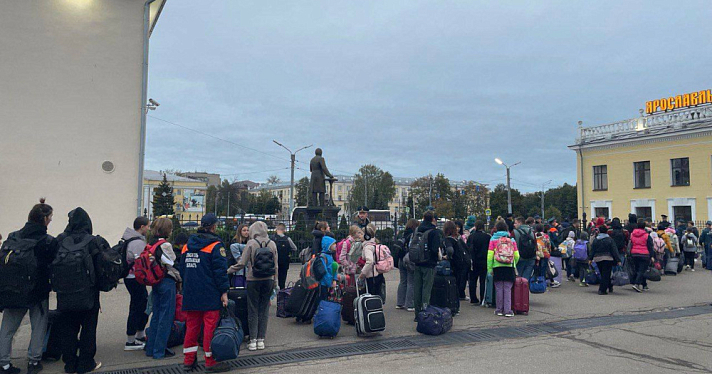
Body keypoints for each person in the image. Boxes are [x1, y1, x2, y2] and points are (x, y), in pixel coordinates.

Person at [0, 199, 57, 374]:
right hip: (38, 290)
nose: (51, 220)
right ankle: (33, 362)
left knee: (8, 328)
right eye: (50, 217)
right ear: (45, 219)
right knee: (38, 326)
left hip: (12, 289)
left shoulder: (13, 236)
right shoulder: (48, 241)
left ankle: (4, 363)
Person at [55, 208, 103, 374]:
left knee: (68, 329)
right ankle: (86, 363)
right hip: (88, 294)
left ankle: (69, 364)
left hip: (64, 294)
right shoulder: (93, 241)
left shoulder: (60, 240)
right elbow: (102, 267)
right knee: (88, 329)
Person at [180, 213, 229, 373]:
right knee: (209, 328)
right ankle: (210, 361)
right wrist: (224, 292)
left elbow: (182, 269)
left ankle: (188, 361)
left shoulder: (187, 245)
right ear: (214, 226)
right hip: (209, 293)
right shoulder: (215, 246)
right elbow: (220, 272)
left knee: (192, 327)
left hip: (191, 293)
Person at [229, 221, 277, 352]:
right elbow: (276, 266)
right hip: (268, 280)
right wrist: (275, 283)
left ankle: (253, 340)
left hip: (253, 279)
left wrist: (228, 271)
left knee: (253, 309)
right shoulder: (272, 244)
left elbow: (242, 263)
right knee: (264, 309)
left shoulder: (251, 243)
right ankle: (261, 339)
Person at [144, 218, 182, 359]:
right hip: (166, 282)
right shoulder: (165, 245)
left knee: (156, 315)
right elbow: (172, 264)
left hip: (156, 282)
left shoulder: (151, 243)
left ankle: (150, 348)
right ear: (167, 230)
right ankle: (159, 351)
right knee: (166, 317)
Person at [122, 216, 150, 351]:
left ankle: (139, 335)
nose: (149, 229)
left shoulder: (130, 239)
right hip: (135, 277)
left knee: (140, 304)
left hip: (130, 277)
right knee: (138, 306)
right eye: (148, 226)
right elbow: (141, 262)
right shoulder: (138, 242)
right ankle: (131, 340)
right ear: (142, 227)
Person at [412, 211, 442, 319]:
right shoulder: (434, 232)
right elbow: (435, 249)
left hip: (417, 262)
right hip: (429, 264)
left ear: (423, 218)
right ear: (433, 219)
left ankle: (417, 314)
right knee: (426, 289)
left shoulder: (417, 230)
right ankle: (424, 313)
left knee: (417, 289)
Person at [487, 220, 519, 317]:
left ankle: (499, 310)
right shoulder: (511, 240)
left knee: (499, 289)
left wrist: (490, 268)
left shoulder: (493, 239)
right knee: (508, 289)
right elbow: (517, 255)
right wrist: (513, 263)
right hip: (509, 267)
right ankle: (508, 311)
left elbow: (489, 255)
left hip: (497, 267)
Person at [588, 226, 622, 295]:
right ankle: (602, 290)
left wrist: (590, 259)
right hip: (608, 258)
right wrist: (618, 260)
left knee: (603, 274)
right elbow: (614, 250)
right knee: (606, 274)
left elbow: (592, 250)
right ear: (606, 231)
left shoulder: (596, 240)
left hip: (598, 259)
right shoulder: (610, 239)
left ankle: (609, 286)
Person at [444, 221, 469, 301]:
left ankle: (454, 297)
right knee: (461, 280)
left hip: (455, 262)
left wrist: (447, 257)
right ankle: (460, 295)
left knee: (454, 281)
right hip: (463, 261)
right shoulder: (458, 238)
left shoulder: (448, 239)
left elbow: (450, 250)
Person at [359, 224, 385, 301]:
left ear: (366, 236)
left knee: (371, 297)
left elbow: (369, 261)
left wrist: (362, 273)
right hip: (377, 274)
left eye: (361, 234)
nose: (359, 235)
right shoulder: (373, 244)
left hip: (371, 275)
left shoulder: (367, 247)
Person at [396, 219, 418, 311]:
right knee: (411, 282)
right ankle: (409, 304)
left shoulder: (402, 234)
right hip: (409, 259)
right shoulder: (413, 235)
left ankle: (400, 303)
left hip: (401, 259)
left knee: (403, 281)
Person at [628, 219, 655, 293]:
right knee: (642, 270)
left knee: (637, 269)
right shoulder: (647, 235)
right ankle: (636, 284)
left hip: (634, 253)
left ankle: (644, 285)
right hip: (644, 254)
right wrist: (652, 256)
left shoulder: (632, 234)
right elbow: (650, 246)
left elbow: (631, 244)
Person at [467, 220, 490, 304]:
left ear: (475, 227)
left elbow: (468, 248)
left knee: (472, 280)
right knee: (483, 280)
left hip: (473, 261)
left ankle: (473, 298)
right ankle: (482, 298)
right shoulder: (487, 237)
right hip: (484, 261)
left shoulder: (471, 237)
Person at [272, 223, 297, 290]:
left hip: (274, 262)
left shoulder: (272, 239)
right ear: (284, 230)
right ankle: (281, 294)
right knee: (282, 279)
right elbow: (295, 248)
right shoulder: (287, 239)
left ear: (276, 229)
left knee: (272, 279)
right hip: (284, 262)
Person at [318, 236, 339, 301]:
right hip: (324, 284)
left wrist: (334, 279)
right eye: (333, 244)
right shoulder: (323, 257)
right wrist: (329, 283)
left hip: (329, 282)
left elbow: (333, 269)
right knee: (324, 300)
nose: (335, 245)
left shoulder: (330, 255)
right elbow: (324, 272)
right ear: (328, 245)